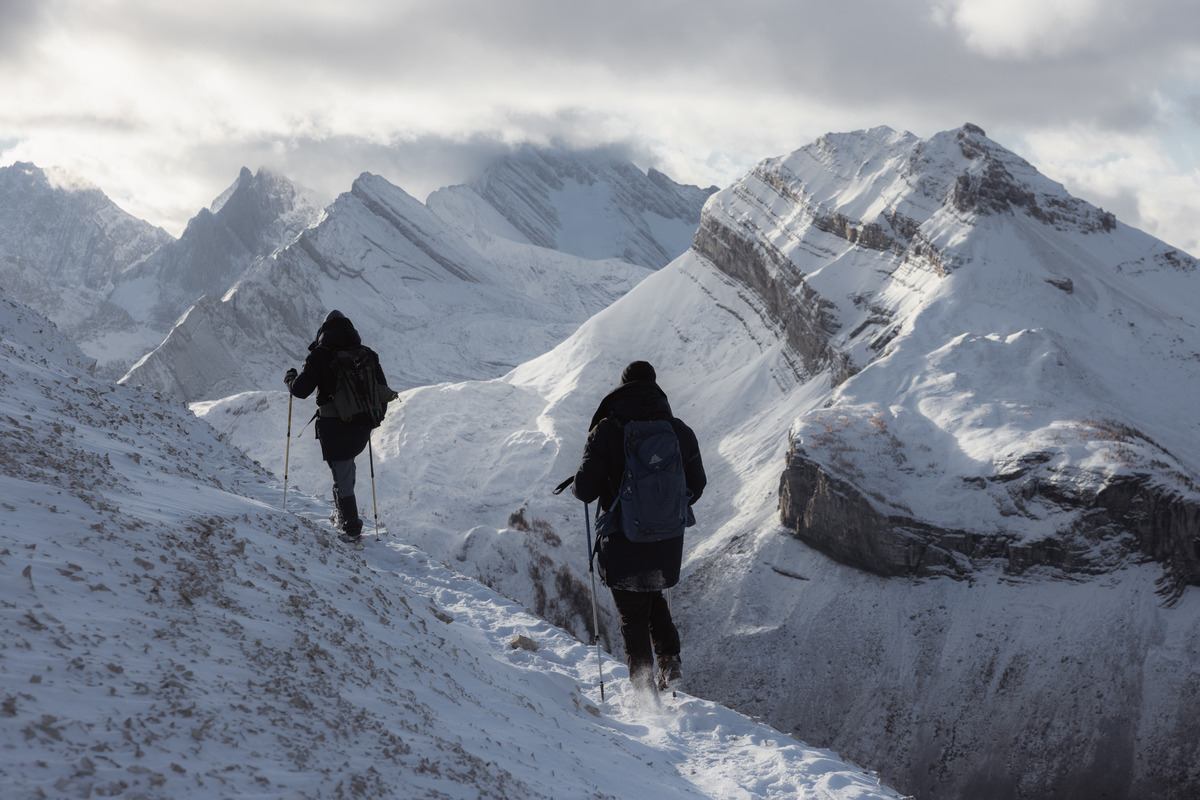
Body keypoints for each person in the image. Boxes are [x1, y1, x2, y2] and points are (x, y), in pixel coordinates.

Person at [572, 361, 706, 693]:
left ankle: (644, 691)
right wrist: (664, 505)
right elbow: (697, 484)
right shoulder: (678, 431)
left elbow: (585, 490)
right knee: (652, 592)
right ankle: (670, 660)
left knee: (632, 612)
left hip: (622, 538)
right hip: (667, 540)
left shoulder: (607, 430)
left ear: (622, 388)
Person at [284, 310, 396, 543]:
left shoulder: (320, 356)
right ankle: (343, 516)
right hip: (363, 425)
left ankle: (351, 527)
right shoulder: (367, 354)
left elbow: (300, 391)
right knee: (346, 468)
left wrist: (290, 379)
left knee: (342, 472)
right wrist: (374, 418)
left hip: (334, 425)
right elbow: (381, 390)